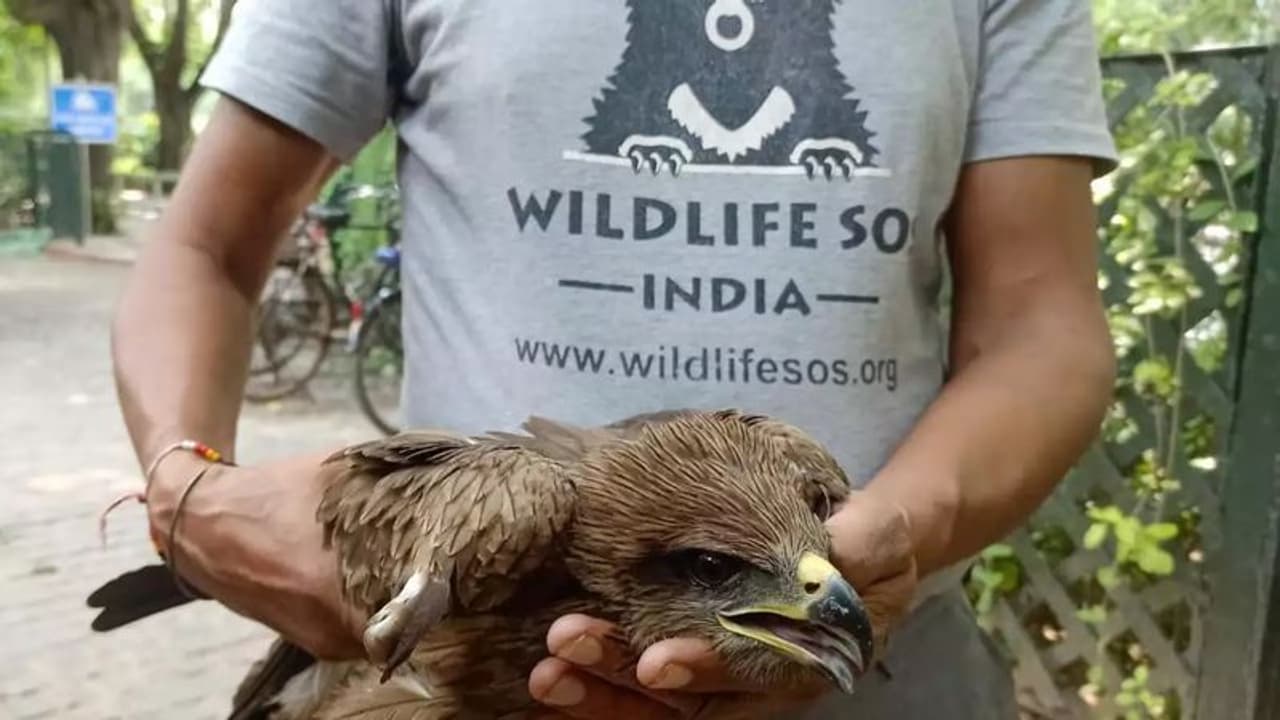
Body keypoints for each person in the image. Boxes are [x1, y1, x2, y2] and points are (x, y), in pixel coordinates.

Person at [110, 0, 1118, 717]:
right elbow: (206, 246)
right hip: (464, 666)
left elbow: (1041, 323)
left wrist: (904, 531)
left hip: (875, 657)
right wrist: (184, 481)